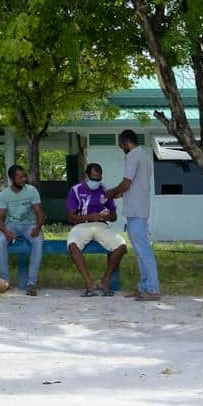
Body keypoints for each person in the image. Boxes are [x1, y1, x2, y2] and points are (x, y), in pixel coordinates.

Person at [105, 128, 160, 300]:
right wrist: (116, 193)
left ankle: (153, 289)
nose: (121, 148)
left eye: (121, 145)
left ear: (126, 142)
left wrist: (110, 193)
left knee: (144, 251)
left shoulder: (132, 155)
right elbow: (131, 186)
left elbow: (126, 183)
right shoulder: (142, 155)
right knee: (139, 251)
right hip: (137, 209)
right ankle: (144, 286)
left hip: (137, 211)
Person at [58, 158, 126, 296]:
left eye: (98, 179)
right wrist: (89, 217)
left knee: (121, 246)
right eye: (93, 178)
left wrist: (107, 216)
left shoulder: (105, 190)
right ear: (86, 176)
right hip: (81, 225)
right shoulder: (75, 190)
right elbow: (71, 217)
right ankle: (89, 283)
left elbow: (114, 217)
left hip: (101, 226)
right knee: (73, 245)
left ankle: (105, 281)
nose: (96, 182)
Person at [0, 164, 44, 294]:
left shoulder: (31, 191)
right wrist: (7, 232)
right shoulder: (4, 195)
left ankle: (31, 283)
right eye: (20, 177)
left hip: (29, 225)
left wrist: (37, 228)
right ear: (11, 179)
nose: (23, 180)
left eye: (24, 177)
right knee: (1, 241)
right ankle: (5, 281)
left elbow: (40, 213)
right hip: (11, 226)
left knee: (38, 241)